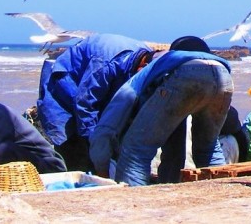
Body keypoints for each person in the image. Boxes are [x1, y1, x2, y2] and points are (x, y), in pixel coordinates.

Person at [89, 36, 233, 186]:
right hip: (224, 75)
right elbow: (174, 144)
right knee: (208, 147)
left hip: (187, 72)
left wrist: (101, 168)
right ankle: (223, 192)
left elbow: (109, 122)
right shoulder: (208, 60)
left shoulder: (155, 67)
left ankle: (131, 201)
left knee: (135, 151)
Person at [37, 34, 156, 171]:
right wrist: (95, 144)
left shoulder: (148, 58)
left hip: (95, 84)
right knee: (72, 143)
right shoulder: (104, 64)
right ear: (143, 67)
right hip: (65, 82)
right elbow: (85, 104)